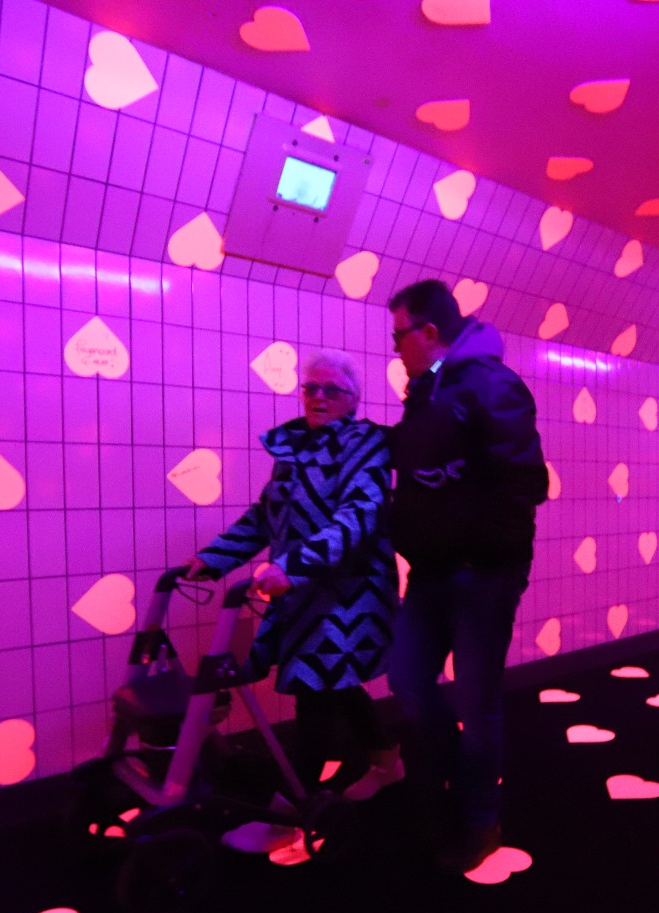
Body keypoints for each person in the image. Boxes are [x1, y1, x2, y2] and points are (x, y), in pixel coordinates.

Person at [186, 350, 402, 850]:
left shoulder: (366, 445)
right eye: (311, 388)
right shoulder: (294, 447)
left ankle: (290, 812)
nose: (318, 397)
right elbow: (265, 517)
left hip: (350, 592)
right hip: (300, 586)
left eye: (331, 390)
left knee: (314, 685)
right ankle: (388, 762)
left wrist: (294, 565)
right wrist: (211, 559)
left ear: (352, 399)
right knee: (334, 683)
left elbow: (359, 516)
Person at [385, 279, 548, 873]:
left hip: (482, 571)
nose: (395, 347)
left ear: (429, 332)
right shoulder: (428, 390)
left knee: (476, 702)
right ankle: (459, 773)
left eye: (399, 335)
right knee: (407, 677)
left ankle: (481, 820)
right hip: (434, 568)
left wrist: (475, 544)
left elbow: (525, 483)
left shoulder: (490, 383)